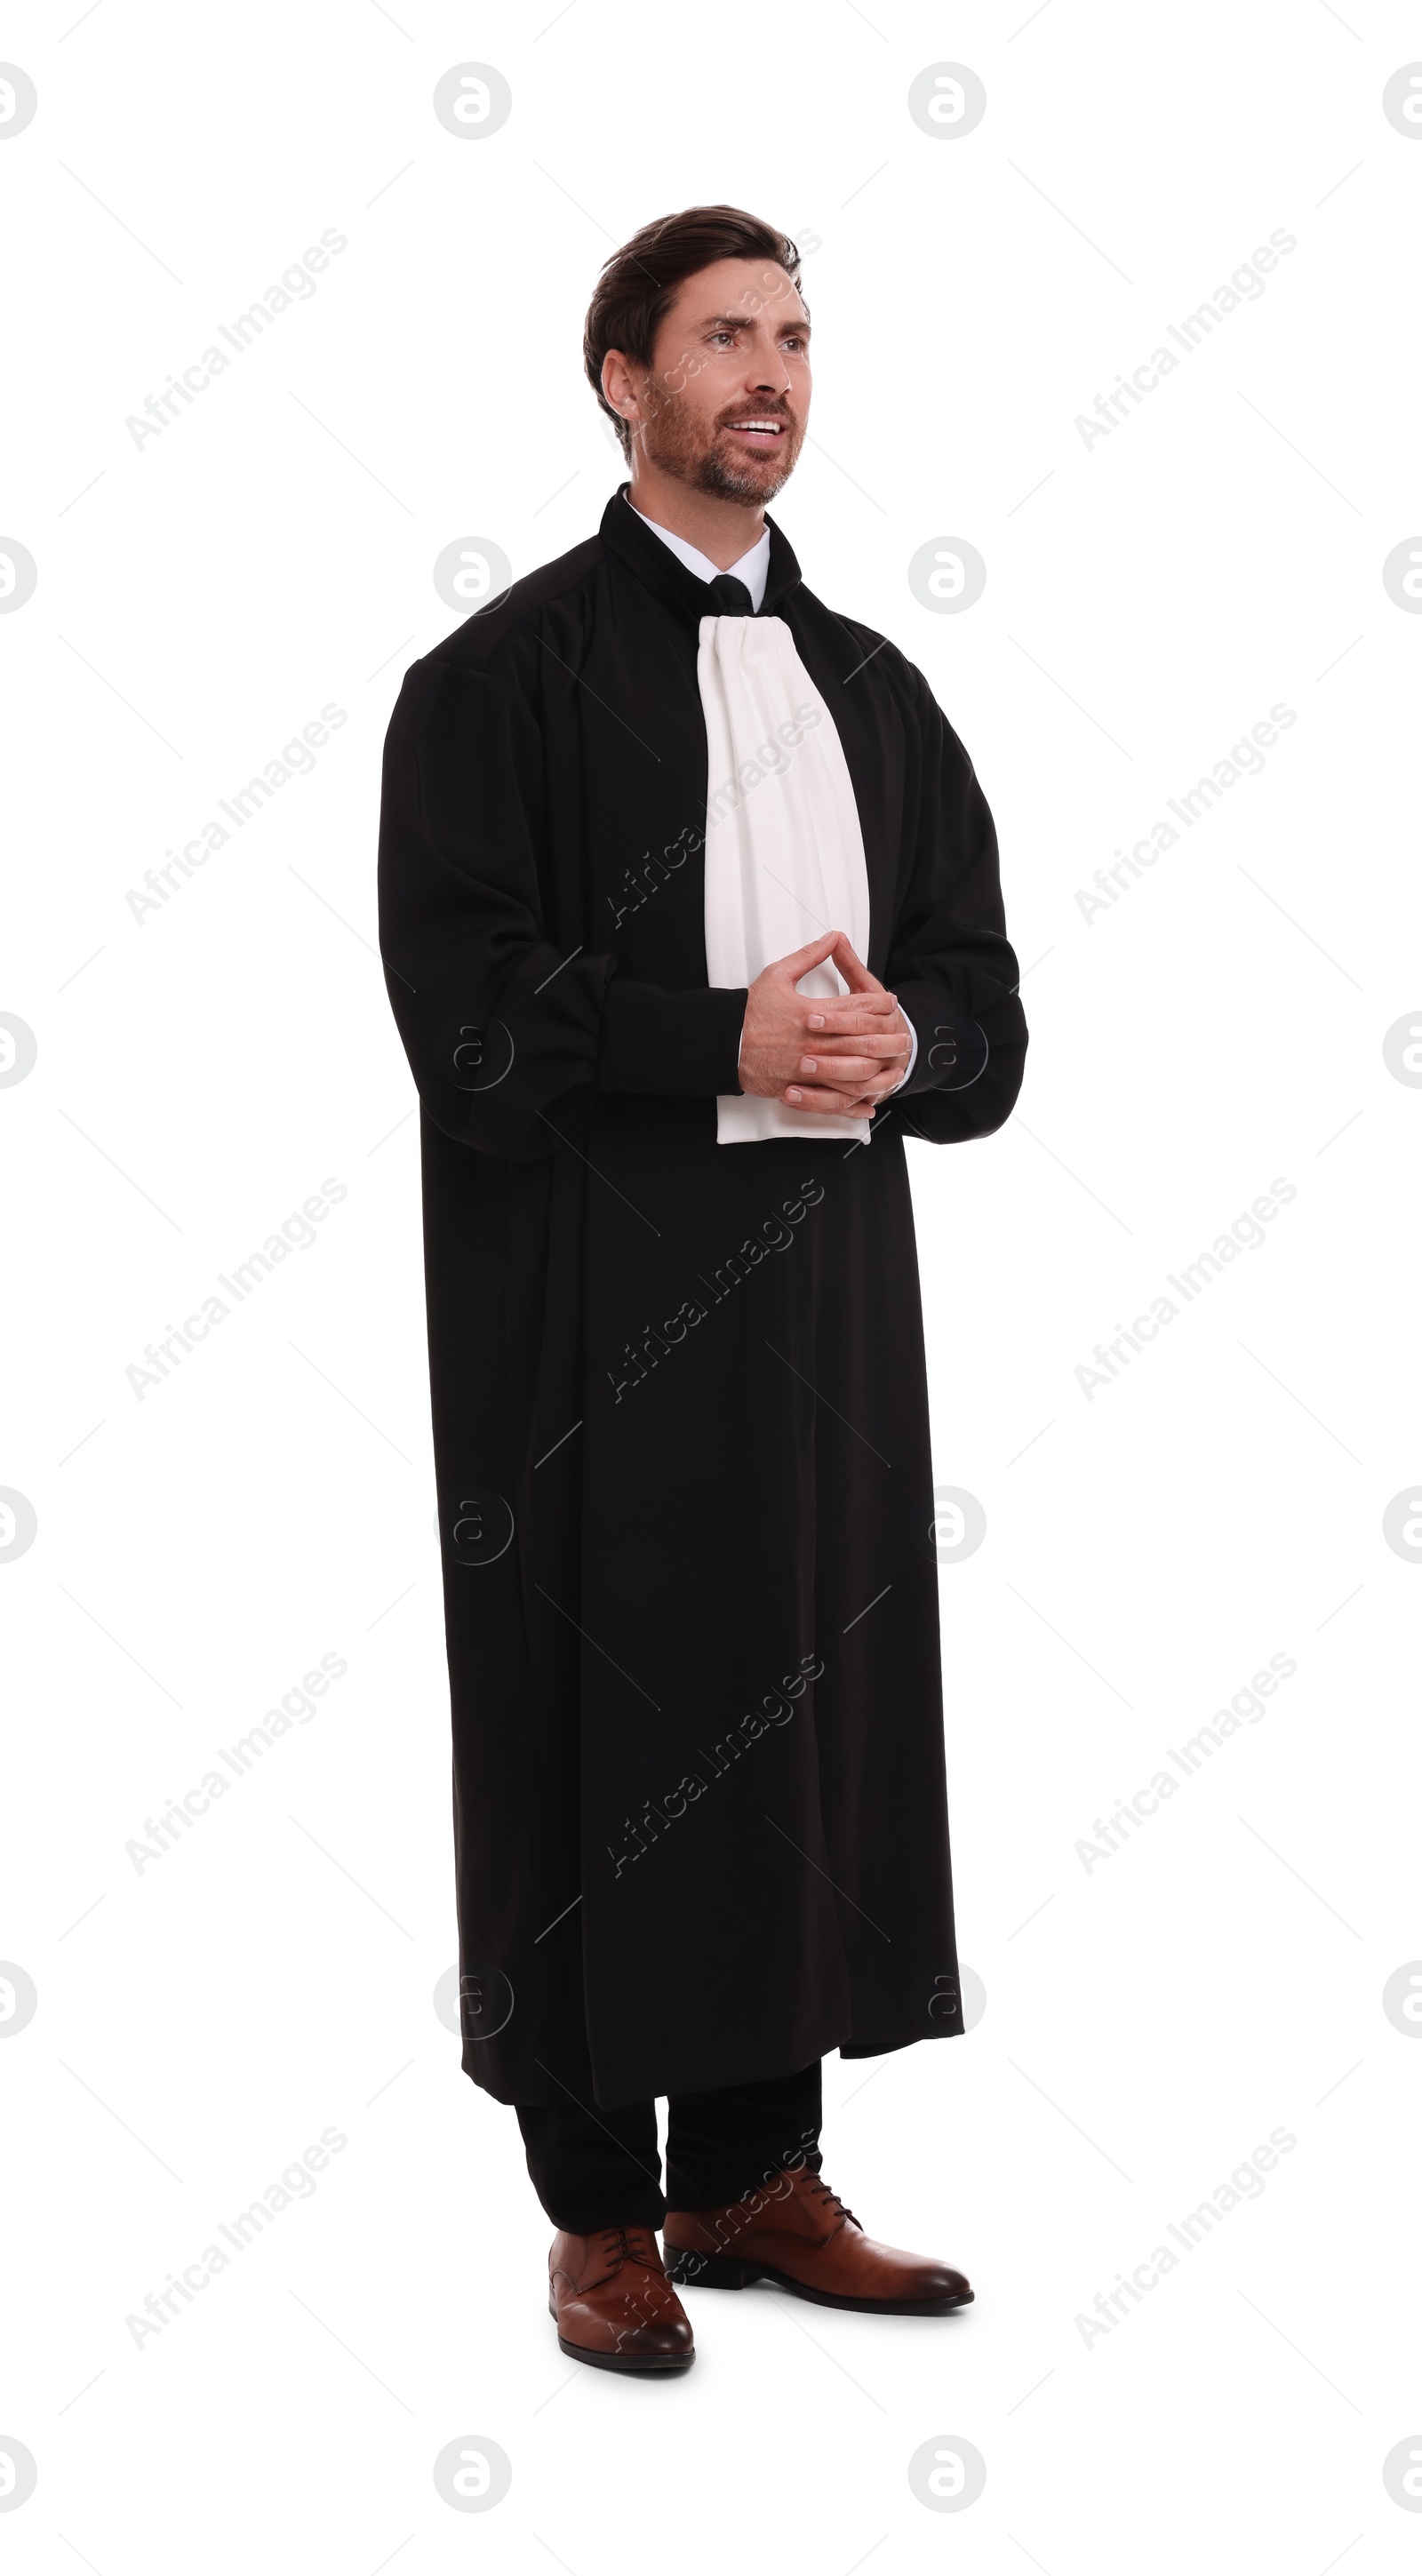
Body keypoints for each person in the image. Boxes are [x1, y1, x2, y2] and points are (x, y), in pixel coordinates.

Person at [378, 204, 1027, 2374]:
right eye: (722, 336)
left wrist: (903, 1048)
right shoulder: (496, 686)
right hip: (577, 1317)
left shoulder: (874, 687)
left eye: (794, 340)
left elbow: (985, 1011)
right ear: (618, 380)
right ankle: (594, 2211)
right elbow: (463, 1017)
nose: (768, 375)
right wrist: (717, 1037)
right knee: (597, 1718)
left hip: (825, 1311)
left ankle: (752, 2172)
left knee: (801, 1709)